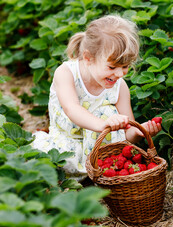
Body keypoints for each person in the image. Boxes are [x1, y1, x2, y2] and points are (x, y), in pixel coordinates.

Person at [32, 15, 161, 181]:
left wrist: (139, 131)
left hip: (102, 152)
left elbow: (127, 134)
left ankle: (99, 172)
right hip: (68, 142)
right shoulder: (66, 74)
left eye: (125, 66)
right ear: (88, 58)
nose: (120, 73)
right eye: (112, 66)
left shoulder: (120, 87)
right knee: (48, 160)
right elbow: (72, 109)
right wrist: (103, 124)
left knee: (108, 111)